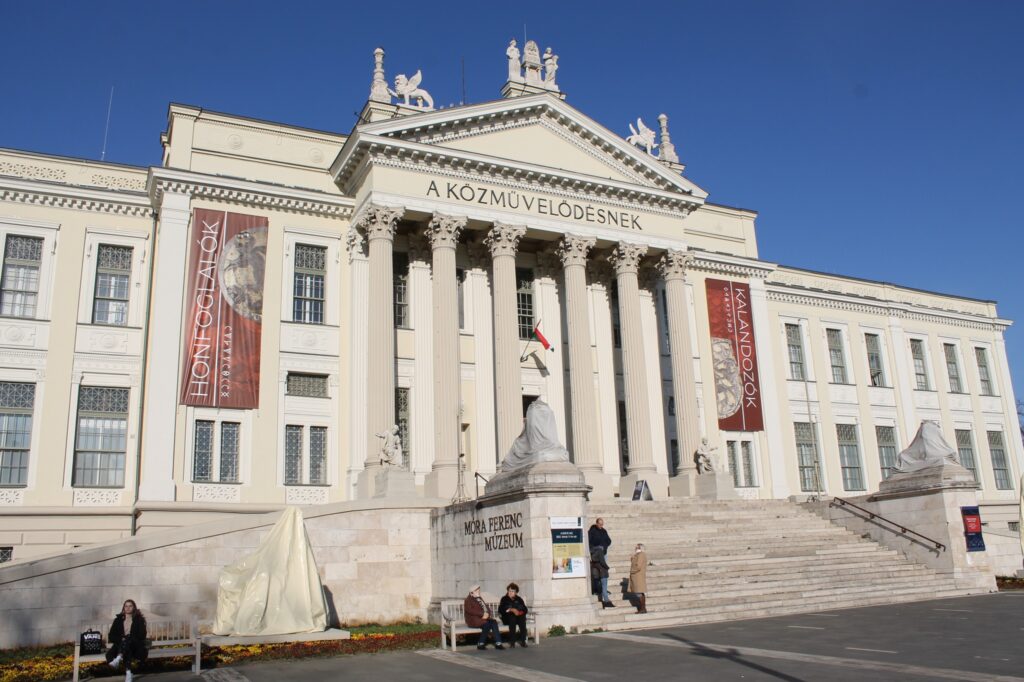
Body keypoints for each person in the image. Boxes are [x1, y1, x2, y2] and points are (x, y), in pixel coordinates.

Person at [106, 599, 147, 681]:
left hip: (135, 645)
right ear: (123, 608)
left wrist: (131, 638)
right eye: (126, 606)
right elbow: (111, 636)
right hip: (121, 644)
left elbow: (142, 635)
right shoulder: (118, 620)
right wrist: (121, 639)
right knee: (126, 647)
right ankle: (128, 673)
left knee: (128, 642)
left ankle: (118, 658)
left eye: (130, 606)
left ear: (134, 608)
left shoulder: (139, 619)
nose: (128, 608)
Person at [464, 585, 504, 650]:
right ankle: (481, 643)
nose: (479, 592)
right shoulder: (468, 600)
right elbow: (470, 610)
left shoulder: (479, 598)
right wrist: (482, 614)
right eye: (477, 591)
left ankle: (498, 643)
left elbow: (486, 607)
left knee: (493, 622)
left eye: (479, 590)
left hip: (482, 619)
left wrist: (488, 613)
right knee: (487, 624)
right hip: (473, 620)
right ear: (472, 593)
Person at [498, 583, 529, 648]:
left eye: (512, 591)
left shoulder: (519, 599)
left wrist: (520, 612)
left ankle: (523, 641)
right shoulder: (504, 599)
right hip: (507, 618)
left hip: (518, 618)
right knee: (512, 617)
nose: (510, 592)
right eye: (509, 591)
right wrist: (510, 609)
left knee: (522, 618)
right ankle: (512, 642)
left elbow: (525, 609)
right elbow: (500, 609)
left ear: (516, 592)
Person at [629, 543, 649, 614]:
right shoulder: (637, 555)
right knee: (639, 593)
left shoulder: (641, 555)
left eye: (637, 547)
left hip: (638, 577)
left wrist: (632, 571)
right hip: (637, 576)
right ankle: (643, 608)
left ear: (640, 548)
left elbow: (638, 566)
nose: (635, 548)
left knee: (639, 593)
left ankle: (642, 608)